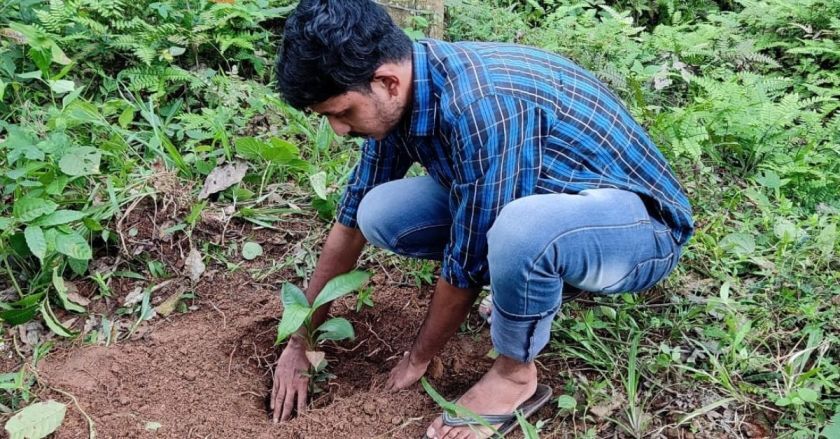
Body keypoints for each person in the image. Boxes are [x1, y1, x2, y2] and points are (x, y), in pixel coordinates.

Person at [270, 1, 694, 437]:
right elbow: (351, 223)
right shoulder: (406, 88)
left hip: (642, 228)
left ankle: (515, 375)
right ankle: (538, 278)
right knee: (376, 211)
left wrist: (417, 357)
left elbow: (467, 260)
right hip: (550, 200)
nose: (339, 130)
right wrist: (301, 338)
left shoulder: (480, 105)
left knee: (520, 231)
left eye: (342, 113)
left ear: (387, 82)